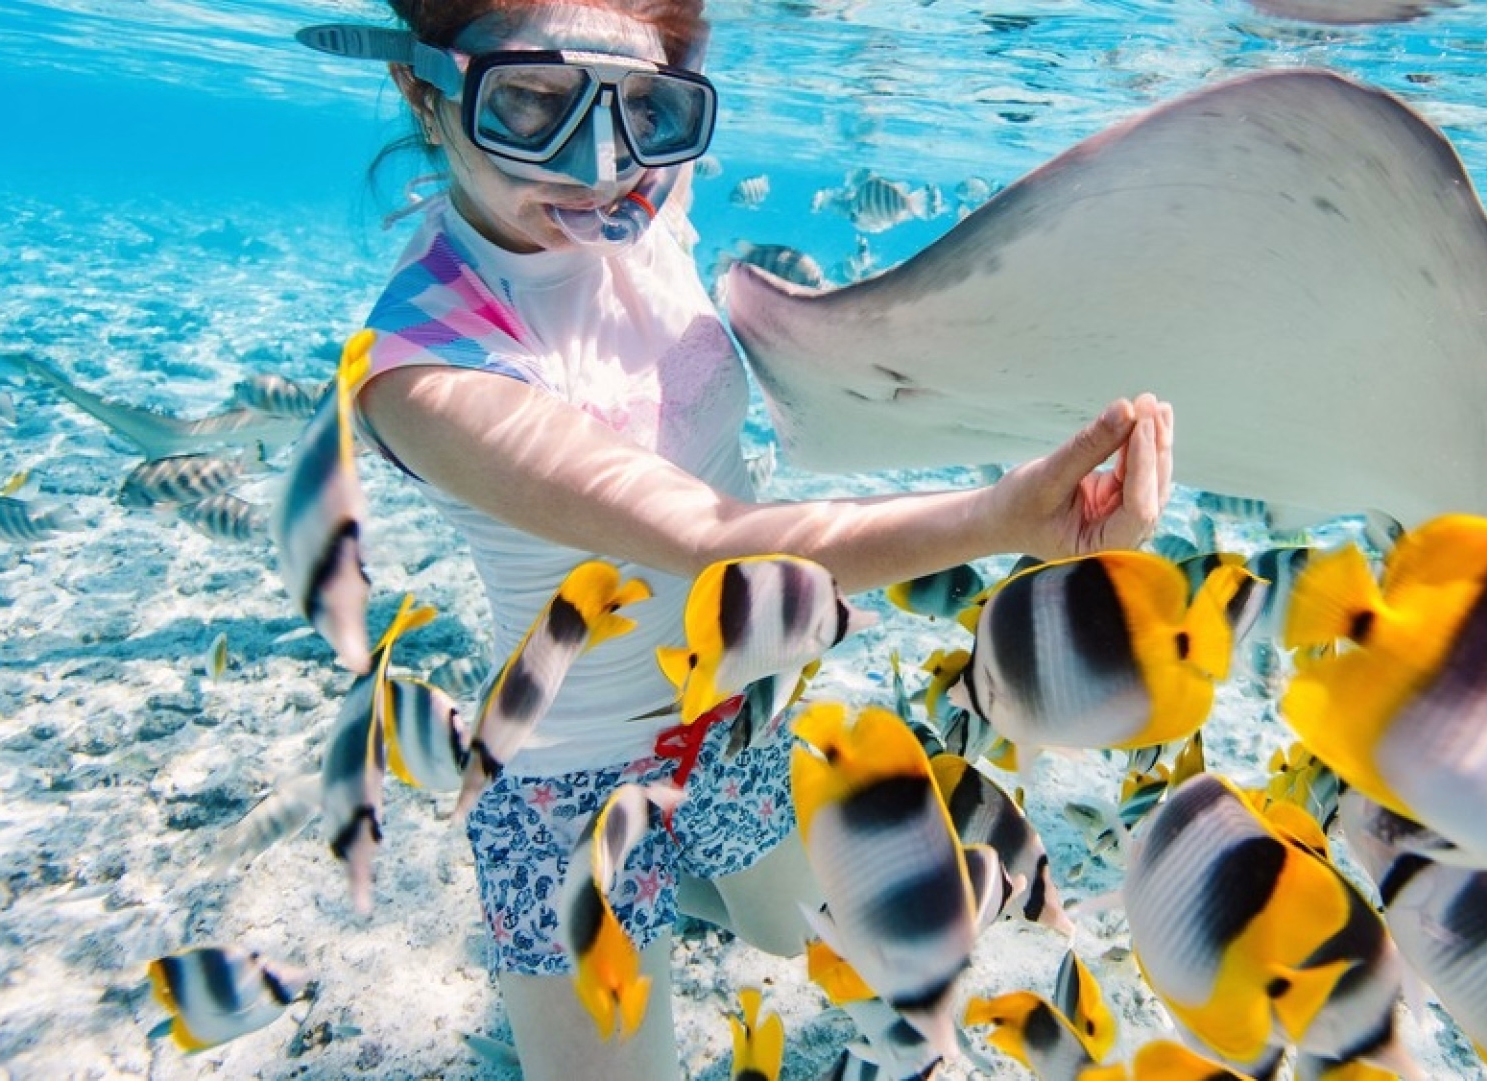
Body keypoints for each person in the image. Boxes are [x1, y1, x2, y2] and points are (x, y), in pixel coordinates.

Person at [304, 1, 1175, 1077]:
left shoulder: (649, 193)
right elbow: (710, 538)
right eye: (530, 102)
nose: (599, 164)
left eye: (646, 111)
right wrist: (1002, 520)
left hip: (738, 705)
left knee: (781, 932)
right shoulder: (420, 368)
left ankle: (689, 895)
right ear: (420, 86)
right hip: (568, 790)